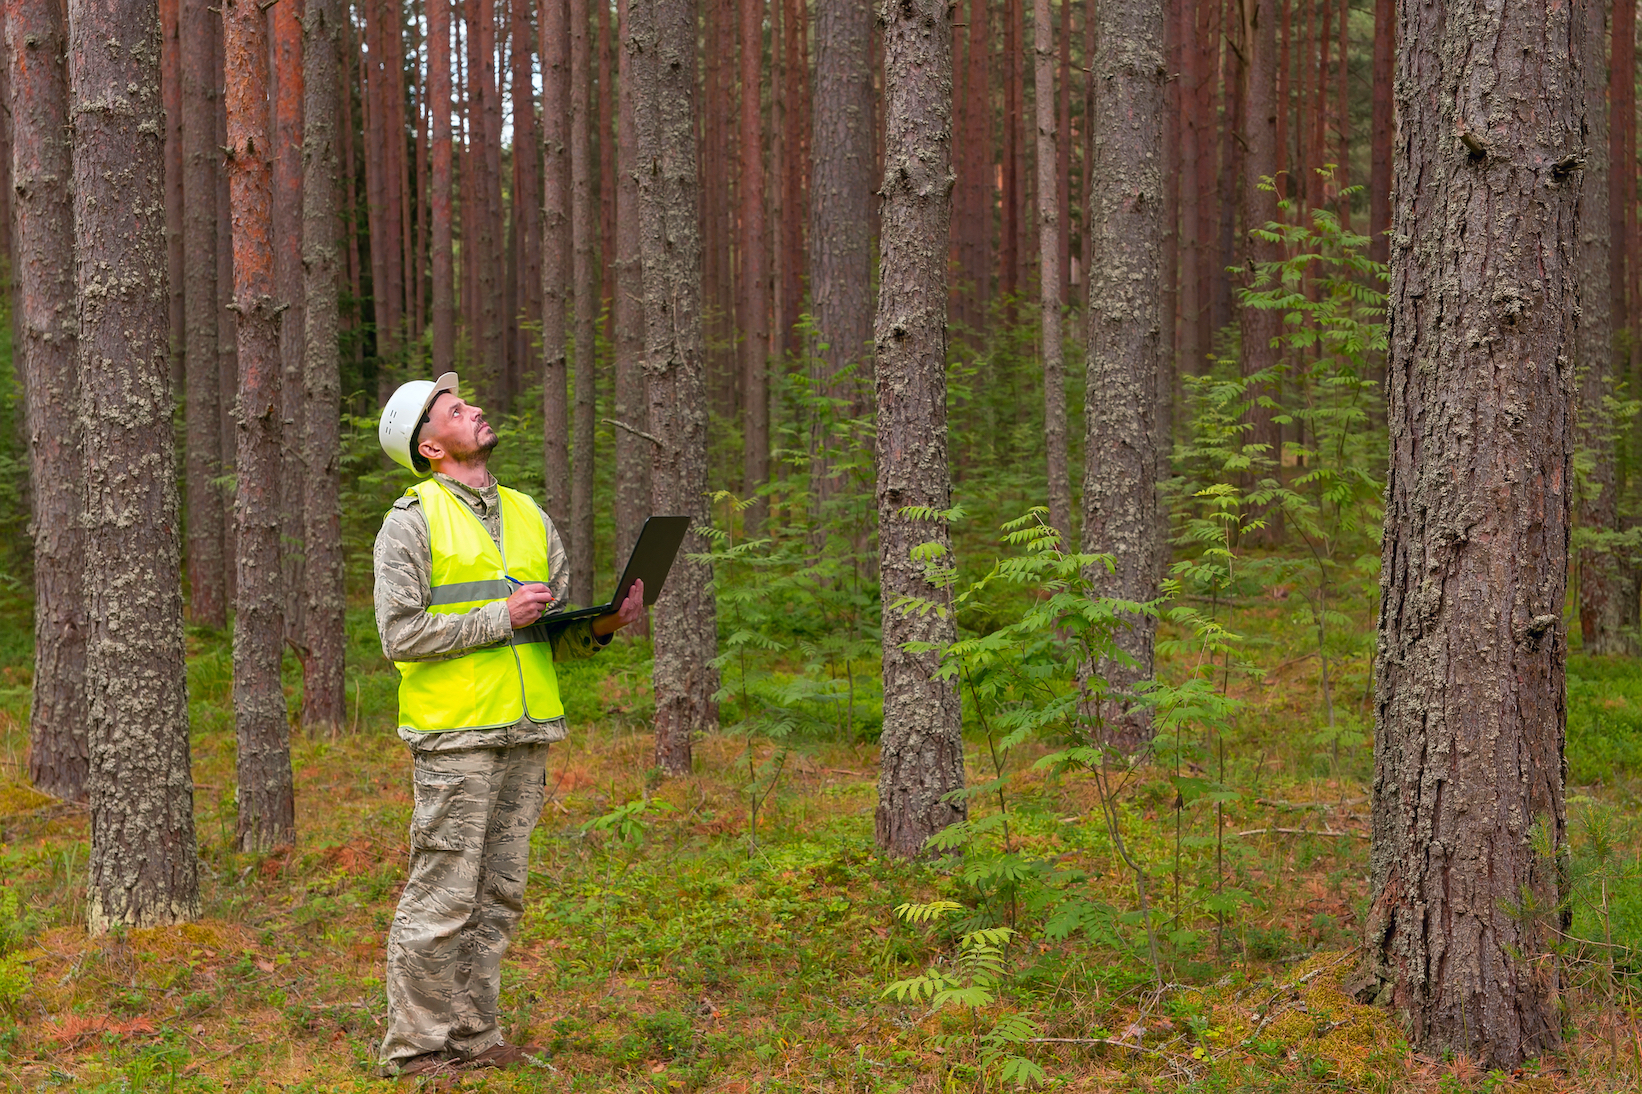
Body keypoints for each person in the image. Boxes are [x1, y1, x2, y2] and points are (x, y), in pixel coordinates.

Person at [372, 372, 644, 1078]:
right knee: (441, 898)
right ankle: (416, 1053)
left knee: (498, 893)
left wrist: (606, 625)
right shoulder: (410, 520)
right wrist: (500, 617)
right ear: (430, 447)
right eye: (457, 410)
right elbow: (399, 635)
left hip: (526, 732)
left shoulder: (529, 515)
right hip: (455, 736)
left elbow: (550, 637)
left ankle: (475, 1035)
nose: (476, 409)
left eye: (470, 403)